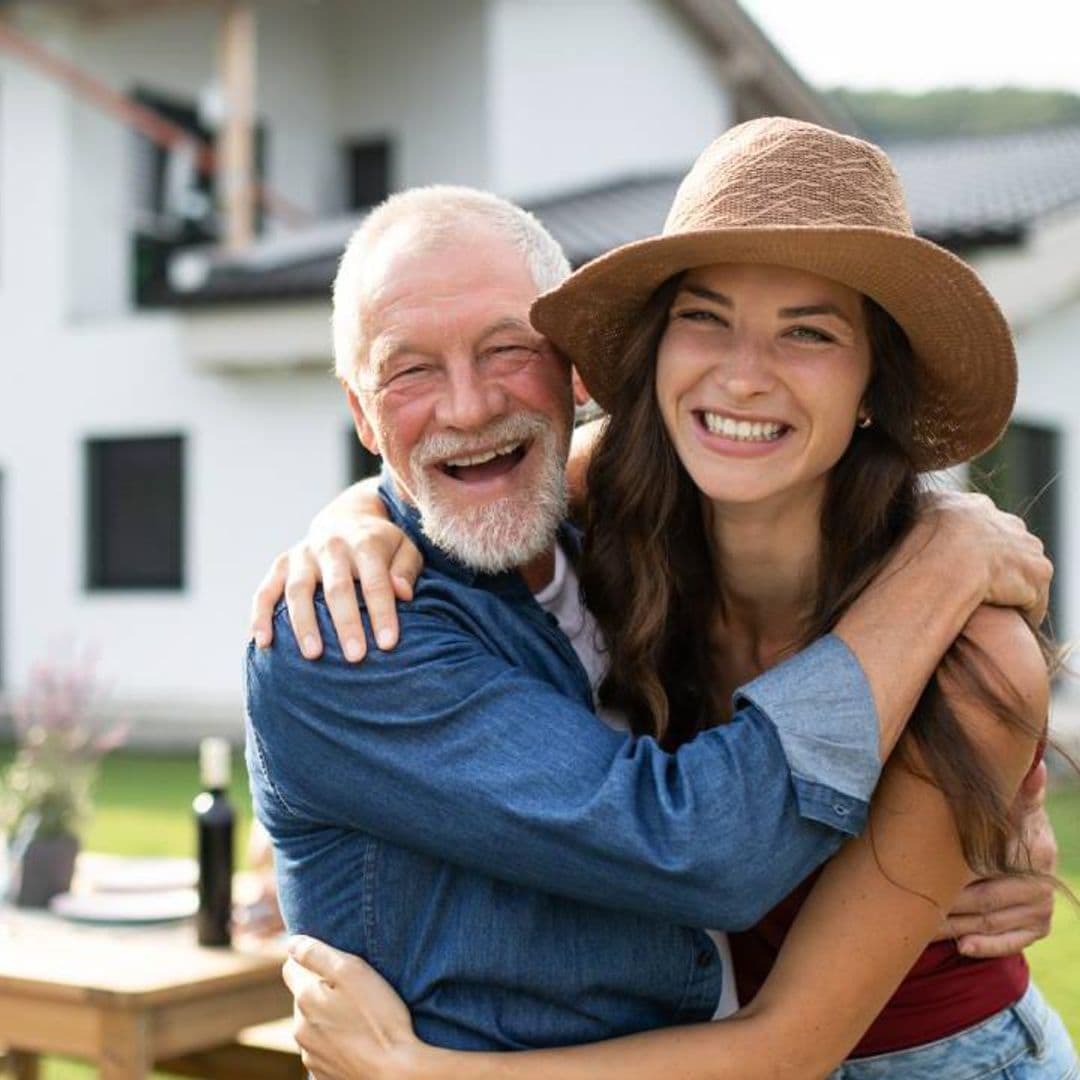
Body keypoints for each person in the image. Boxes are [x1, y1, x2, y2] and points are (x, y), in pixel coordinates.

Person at [264, 120, 1074, 1078]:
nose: (742, 374)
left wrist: (424, 1076)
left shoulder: (971, 658)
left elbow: (789, 1048)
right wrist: (352, 518)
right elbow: (456, 474)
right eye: (705, 318)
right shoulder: (628, 508)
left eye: (808, 332)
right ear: (656, 353)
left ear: (871, 385)